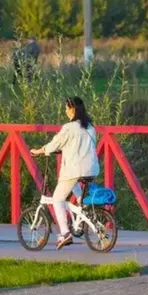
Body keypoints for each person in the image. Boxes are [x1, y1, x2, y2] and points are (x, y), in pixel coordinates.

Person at [30, 96, 99, 249]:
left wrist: (39, 151)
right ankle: (81, 202)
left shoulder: (69, 127)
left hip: (75, 169)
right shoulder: (90, 128)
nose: (65, 111)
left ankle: (65, 233)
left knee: (57, 199)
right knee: (71, 181)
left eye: (67, 108)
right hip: (92, 168)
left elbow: (55, 144)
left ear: (73, 109)